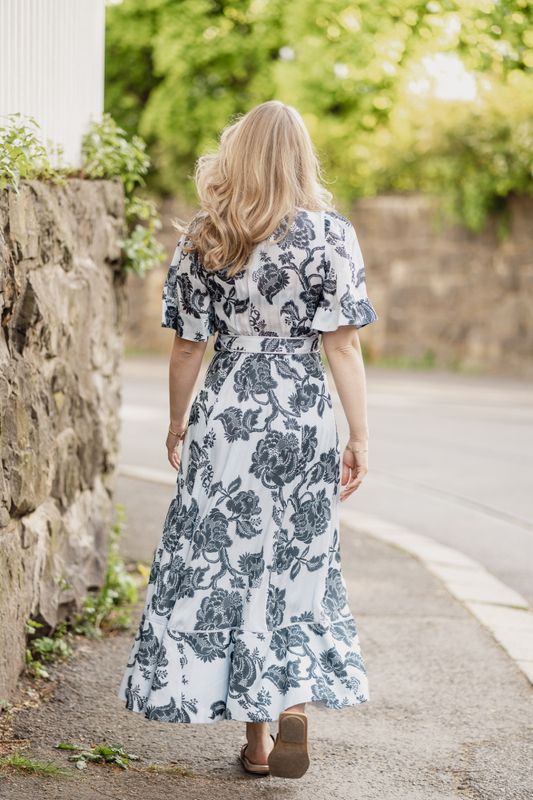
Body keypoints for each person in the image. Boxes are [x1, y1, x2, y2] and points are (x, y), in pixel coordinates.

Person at [117, 99, 378, 780]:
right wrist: (359, 437)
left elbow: (184, 350)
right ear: (301, 157)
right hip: (301, 414)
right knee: (294, 562)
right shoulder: (330, 235)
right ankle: (294, 702)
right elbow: (343, 346)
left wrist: (177, 423)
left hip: (228, 416)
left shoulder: (207, 234)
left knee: (233, 569)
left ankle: (258, 746)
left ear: (236, 155)